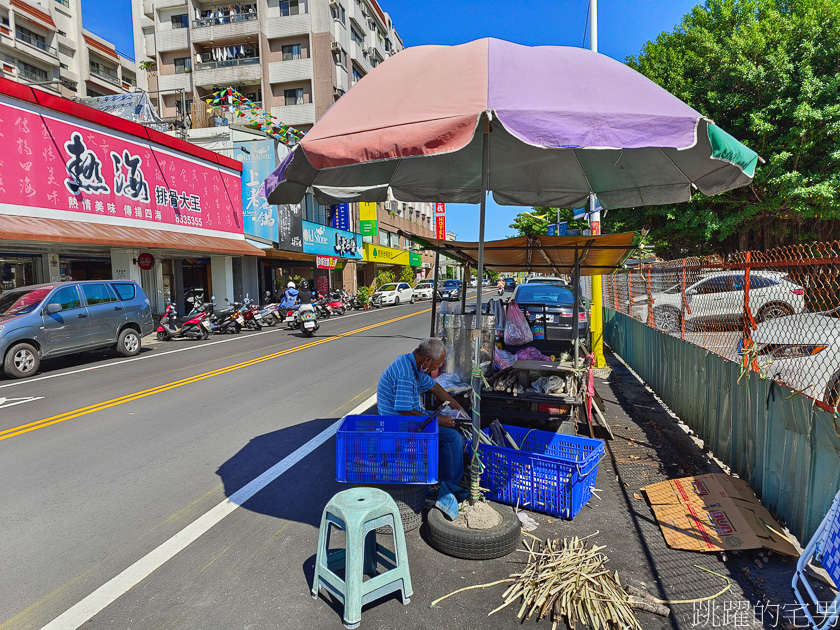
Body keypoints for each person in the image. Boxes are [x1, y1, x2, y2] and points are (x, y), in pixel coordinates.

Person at [377, 338, 467, 484]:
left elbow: (435, 388)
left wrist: (458, 408)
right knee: (452, 437)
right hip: (399, 423)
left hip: (411, 415)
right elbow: (406, 413)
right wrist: (438, 421)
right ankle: (450, 484)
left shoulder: (412, 364)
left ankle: (443, 472)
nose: (436, 368)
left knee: (450, 421)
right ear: (428, 360)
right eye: (437, 364)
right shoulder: (405, 373)